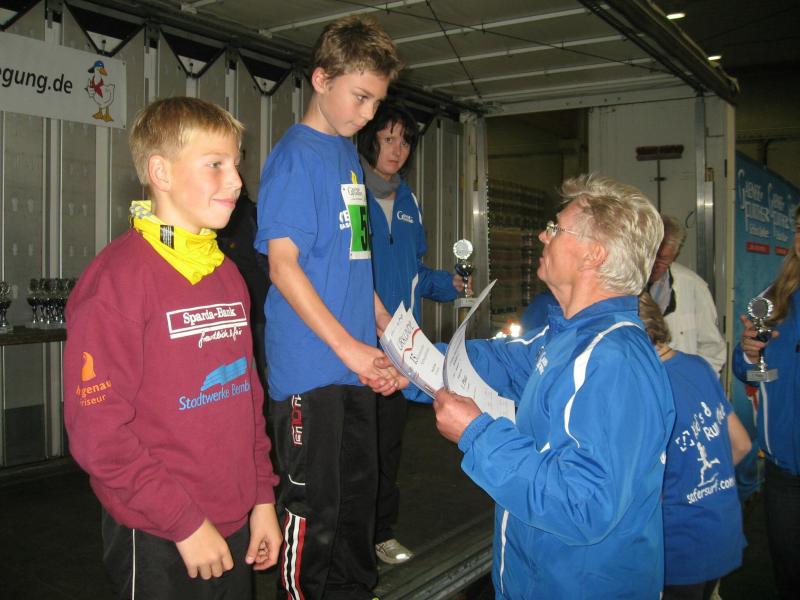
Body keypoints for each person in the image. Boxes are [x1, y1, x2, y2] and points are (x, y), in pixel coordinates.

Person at [63, 97, 282, 599]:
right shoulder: (118, 280)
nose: (237, 181)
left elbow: (247, 397)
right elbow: (98, 434)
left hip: (235, 517)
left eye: (236, 164)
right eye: (215, 164)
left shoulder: (226, 274)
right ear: (161, 172)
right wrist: (184, 522)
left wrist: (261, 498)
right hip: (161, 531)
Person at [432, 174, 675, 598]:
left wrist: (477, 434)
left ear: (593, 254)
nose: (543, 236)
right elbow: (500, 363)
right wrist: (407, 361)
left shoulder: (614, 361)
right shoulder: (571, 336)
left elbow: (584, 504)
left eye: (556, 228)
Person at [254, 16, 404, 600]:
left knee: (355, 508)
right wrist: (350, 349)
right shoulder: (296, 156)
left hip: (351, 365)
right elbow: (283, 266)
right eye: (360, 97)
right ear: (322, 79)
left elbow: (356, 258)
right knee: (313, 514)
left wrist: (388, 330)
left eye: (377, 102)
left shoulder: (347, 155)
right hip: (311, 370)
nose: (369, 114)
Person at [357, 102, 469, 565]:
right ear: (370, 140)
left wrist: (449, 285)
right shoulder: (349, 193)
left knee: (388, 447)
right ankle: (351, 539)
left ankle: (380, 533)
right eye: (388, 138)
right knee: (355, 448)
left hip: (401, 348)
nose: (397, 149)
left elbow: (414, 272)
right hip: (358, 347)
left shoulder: (408, 200)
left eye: (404, 141)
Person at [638, 292, 750, 600]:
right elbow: (741, 444)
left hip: (678, 545)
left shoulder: (646, 386)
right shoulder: (697, 366)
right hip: (721, 528)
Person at [732, 206, 800, 600]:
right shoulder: (774, 301)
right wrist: (749, 355)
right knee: (788, 573)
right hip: (784, 471)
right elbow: (756, 377)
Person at [648, 214, 727, 373]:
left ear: (675, 256)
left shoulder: (693, 285)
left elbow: (713, 350)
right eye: (651, 256)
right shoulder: (622, 283)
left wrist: (694, 382)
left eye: (663, 259)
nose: (655, 264)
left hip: (683, 379)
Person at [217, 185, 270, 388]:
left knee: (250, 359)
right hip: (258, 296)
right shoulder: (254, 213)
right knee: (257, 359)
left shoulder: (239, 217)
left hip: (248, 298)